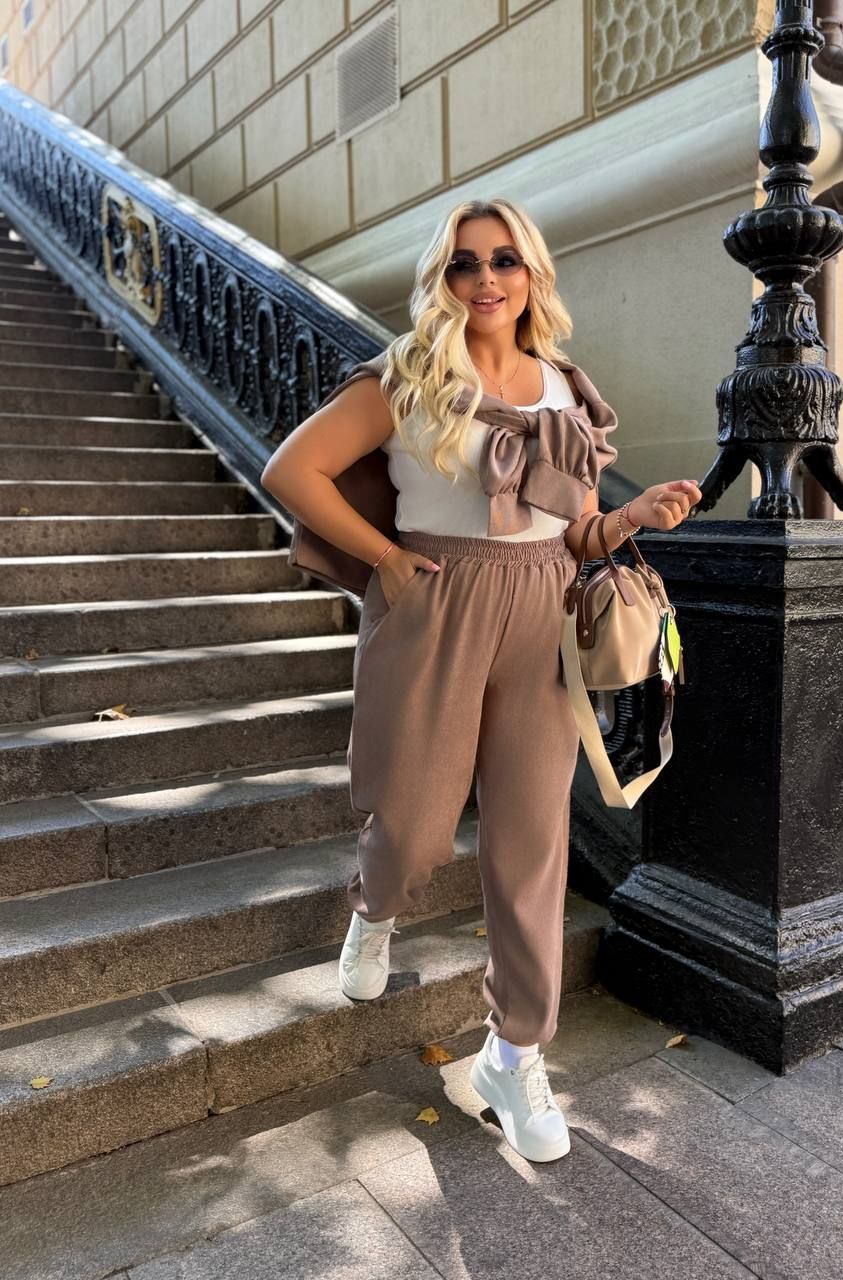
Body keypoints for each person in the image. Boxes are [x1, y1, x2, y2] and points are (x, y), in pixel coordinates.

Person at [260, 197, 701, 1163]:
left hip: (542, 611)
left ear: (532, 273)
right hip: (435, 601)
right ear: (443, 278)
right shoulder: (408, 376)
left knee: (530, 841)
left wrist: (632, 520)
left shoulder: (564, 390)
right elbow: (292, 471)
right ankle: (374, 908)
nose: (485, 279)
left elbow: (574, 532)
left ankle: (515, 1051)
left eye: (504, 260)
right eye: (465, 263)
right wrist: (385, 558)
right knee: (414, 823)